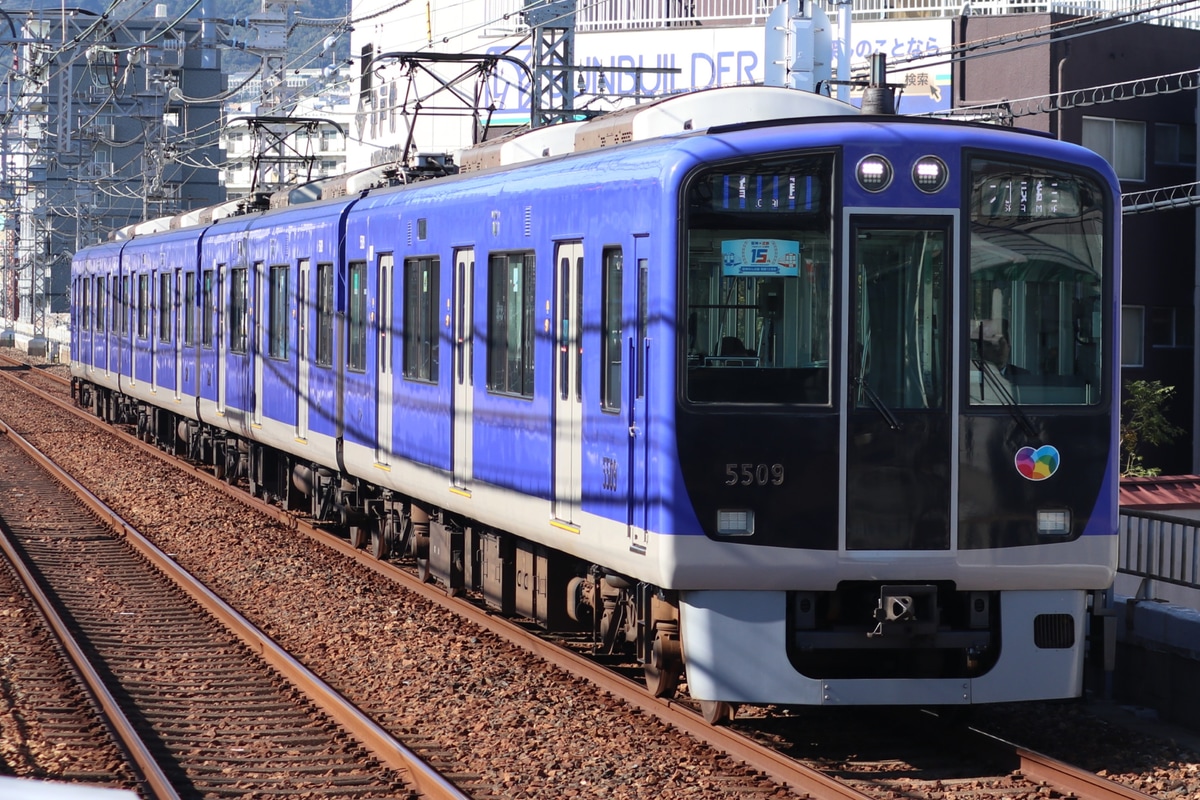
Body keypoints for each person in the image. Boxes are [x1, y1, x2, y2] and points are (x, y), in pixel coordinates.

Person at [971, 318, 1025, 403]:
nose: (997, 348)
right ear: (979, 350)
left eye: (1001, 342)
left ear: (1009, 346)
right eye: (989, 344)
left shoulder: (1024, 377)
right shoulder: (970, 377)